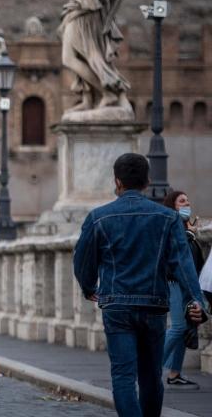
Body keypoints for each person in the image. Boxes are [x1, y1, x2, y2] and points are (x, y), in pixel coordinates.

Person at [74, 154, 207, 417]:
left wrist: (89, 286)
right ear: (147, 182)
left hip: (117, 305)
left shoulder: (98, 217)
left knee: (123, 376)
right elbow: (183, 264)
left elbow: (82, 260)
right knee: (150, 376)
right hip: (154, 304)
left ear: (117, 182)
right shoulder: (168, 218)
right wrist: (196, 300)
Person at [161, 190, 205, 390]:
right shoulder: (171, 225)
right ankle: (149, 368)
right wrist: (189, 234)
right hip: (175, 282)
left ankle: (175, 374)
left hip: (186, 283)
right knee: (178, 327)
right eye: (181, 201)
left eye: (188, 200)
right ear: (172, 206)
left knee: (184, 327)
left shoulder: (186, 227)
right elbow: (174, 254)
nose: (187, 204)